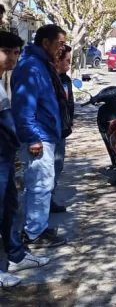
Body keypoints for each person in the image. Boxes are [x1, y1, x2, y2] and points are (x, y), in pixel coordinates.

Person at [11, 24, 69, 248]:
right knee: (39, 186)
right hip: (38, 136)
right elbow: (24, 107)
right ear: (46, 43)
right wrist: (32, 137)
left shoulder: (41, 64)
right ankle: (34, 233)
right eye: (60, 44)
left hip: (45, 134)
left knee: (40, 185)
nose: (62, 49)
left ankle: (36, 226)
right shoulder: (31, 67)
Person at [0, 31, 50, 288]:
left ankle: (17, 256)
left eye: (16, 52)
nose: (12, 58)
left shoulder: (2, 80)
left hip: (5, 156)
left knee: (9, 207)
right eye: (7, 52)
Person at [51, 45, 73, 214]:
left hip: (62, 130)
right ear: (57, 61)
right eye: (67, 61)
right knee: (44, 170)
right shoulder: (47, 79)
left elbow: (69, 102)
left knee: (57, 165)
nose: (70, 64)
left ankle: (49, 198)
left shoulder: (65, 79)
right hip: (48, 131)